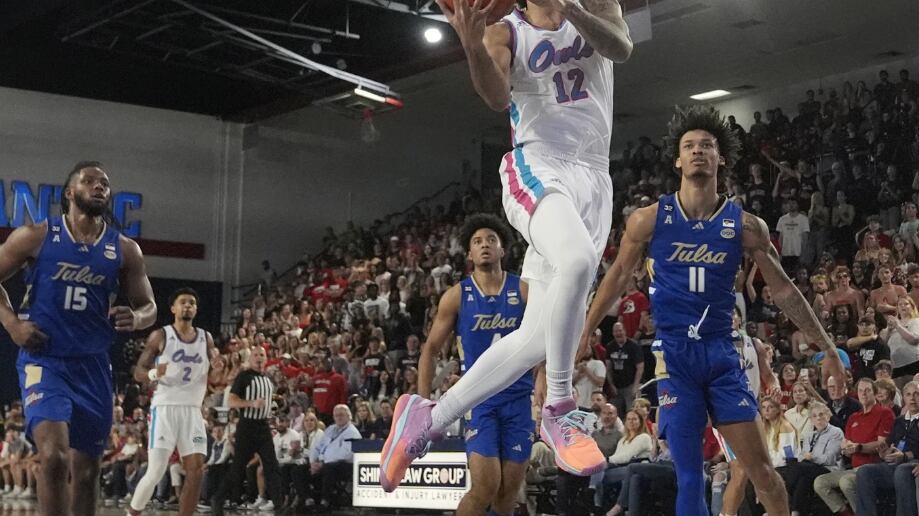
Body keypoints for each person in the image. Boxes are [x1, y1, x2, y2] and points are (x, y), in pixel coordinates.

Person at [380, 0, 634, 491]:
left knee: (539, 338)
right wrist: (472, 44)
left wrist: (572, 10)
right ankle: (559, 408)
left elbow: (620, 48)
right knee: (578, 260)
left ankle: (427, 418)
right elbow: (496, 97)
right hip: (539, 165)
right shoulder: (505, 31)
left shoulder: (598, 3)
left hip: (595, 181)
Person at [580, 106, 847, 516]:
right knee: (689, 477)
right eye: (689, 146)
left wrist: (828, 348)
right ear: (677, 159)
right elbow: (616, 277)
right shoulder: (647, 221)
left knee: (764, 475)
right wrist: (584, 332)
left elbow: (785, 290)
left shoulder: (746, 226)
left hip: (723, 357)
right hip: (675, 359)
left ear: (721, 157)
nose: (698, 151)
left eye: (707, 145)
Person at [0, 162, 157, 515]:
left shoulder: (125, 249)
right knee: (54, 457)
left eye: (104, 182)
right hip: (45, 359)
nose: (99, 186)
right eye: (89, 181)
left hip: (93, 365)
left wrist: (136, 318)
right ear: (70, 193)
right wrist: (11, 324)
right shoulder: (37, 236)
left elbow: (149, 306)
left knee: (86, 473)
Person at [415, 214, 531, 516]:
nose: (485, 245)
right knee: (485, 487)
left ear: (503, 249)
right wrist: (422, 400)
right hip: (479, 400)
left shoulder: (524, 290)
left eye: (491, 240)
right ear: (469, 253)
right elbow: (430, 349)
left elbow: (544, 341)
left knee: (508, 496)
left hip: (520, 398)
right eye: (477, 241)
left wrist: (545, 382)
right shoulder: (456, 296)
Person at [128, 288, 216, 516]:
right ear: (173, 308)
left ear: (196, 309)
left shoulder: (206, 338)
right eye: (183, 302)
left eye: (192, 303)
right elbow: (138, 372)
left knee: (196, 471)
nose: (188, 306)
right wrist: (155, 374)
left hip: (194, 413)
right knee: (156, 470)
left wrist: (221, 366)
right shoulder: (161, 336)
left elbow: (215, 376)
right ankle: (132, 513)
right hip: (165, 409)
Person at [211, 346, 281, 515]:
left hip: (263, 426)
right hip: (247, 426)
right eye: (255, 355)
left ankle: (279, 504)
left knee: (272, 465)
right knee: (238, 468)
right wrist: (251, 403)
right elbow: (231, 401)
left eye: (262, 355)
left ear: (266, 359)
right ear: (250, 359)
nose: (259, 358)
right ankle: (218, 499)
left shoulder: (267, 379)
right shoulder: (244, 377)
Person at [854, 380, 919, 516]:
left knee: (901, 471)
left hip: (912, 464)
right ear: (904, 397)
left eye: (916, 394)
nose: (912, 398)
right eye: (908, 394)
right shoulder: (899, 421)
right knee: (865, 472)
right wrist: (884, 453)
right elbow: (889, 445)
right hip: (894, 463)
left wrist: (905, 456)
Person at [781, 402, 843, 516]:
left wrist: (812, 457)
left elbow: (829, 459)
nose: (818, 418)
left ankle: (783, 504)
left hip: (828, 469)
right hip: (808, 469)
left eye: (821, 414)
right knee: (804, 479)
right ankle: (796, 512)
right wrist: (806, 458)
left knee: (796, 468)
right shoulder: (809, 435)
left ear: (828, 416)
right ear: (811, 420)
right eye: (814, 416)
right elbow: (801, 456)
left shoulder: (836, 432)